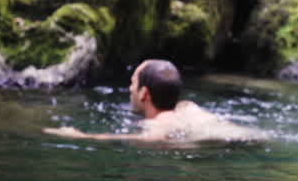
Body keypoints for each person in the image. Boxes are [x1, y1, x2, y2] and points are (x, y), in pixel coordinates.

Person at [43, 59, 264, 143]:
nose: (129, 89)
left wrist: (83, 137)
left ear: (143, 94)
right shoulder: (189, 109)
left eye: (132, 83)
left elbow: (153, 138)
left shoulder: (161, 123)